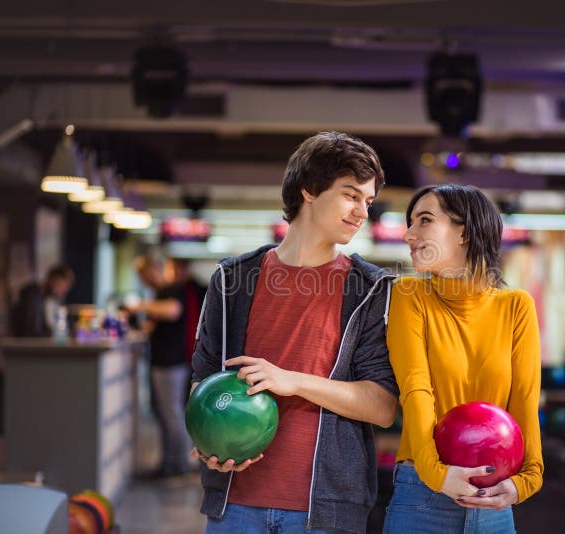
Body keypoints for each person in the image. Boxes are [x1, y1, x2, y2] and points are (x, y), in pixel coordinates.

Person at [190, 131, 399, 533]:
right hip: (234, 505)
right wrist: (209, 444)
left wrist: (291, 381)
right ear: (309, 189)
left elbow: (382, 406)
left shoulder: (369, 289)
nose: (361, 212)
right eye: (350, 195)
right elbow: (203, 380)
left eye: (368, 202)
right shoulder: (233, 279)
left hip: (326, 512)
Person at [384, 184, 543, 533]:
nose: (409, 235)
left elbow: (525, 401)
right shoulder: (410, 296)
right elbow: (415, 390)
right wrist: (438, 475)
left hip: (495, 496)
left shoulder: (516, 306)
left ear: (465, 232)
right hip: (424, 494)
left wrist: (527, 480)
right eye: (410, 223)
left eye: (424, 220)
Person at [133, 254, 193, 477]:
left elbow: (172, 311)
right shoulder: (159, 293)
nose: (142, 280)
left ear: (152, 270)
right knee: (164, 413)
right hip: (162, 359)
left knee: (172, 413)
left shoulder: (173, 290)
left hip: (172, 361)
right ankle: (168, 463)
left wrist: (139, 305)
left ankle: (181, 465)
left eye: (143, 275)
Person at [164, 257, 207, 402]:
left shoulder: (199, 290)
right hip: (187, 353)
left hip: (193, 352)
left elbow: (172, 311)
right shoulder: (179, 290)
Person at [11, 264, 74, 337]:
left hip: (44, 343)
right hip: (32, 345)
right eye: (63, 285)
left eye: (67, 287)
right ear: (53, 280)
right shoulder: (34, 297)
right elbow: (33, 331)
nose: (65, 290)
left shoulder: (55, 300)